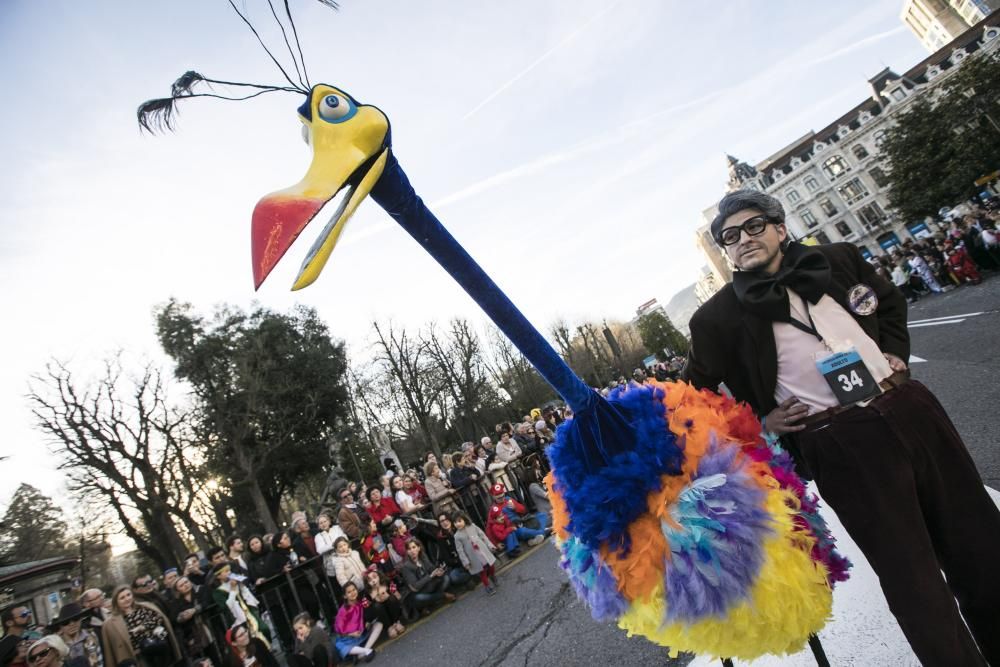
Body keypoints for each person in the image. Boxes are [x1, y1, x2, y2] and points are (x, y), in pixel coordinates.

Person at [683, 189, 1000, 666]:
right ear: (725, 252)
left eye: (753, 227)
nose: (743, 240)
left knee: (980, 546)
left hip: (908, 409)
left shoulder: (838, 260)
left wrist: (893, 349)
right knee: (913, 582)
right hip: (839, 443)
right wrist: (761, 422)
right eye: (730, 237)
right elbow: (696, 394)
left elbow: (888, 302)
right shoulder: (714, 318)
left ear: (780, 229)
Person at [99, 585, 181, 667]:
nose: (127, 599)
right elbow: (111, 651)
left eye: (128, 595)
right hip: (136, 658)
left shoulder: (145, 607)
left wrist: (143, 627)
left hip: (159, 650)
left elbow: (158, 619)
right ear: (116, 601)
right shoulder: (110, 623)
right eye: (122, 598)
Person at [210, 563, 269, 644]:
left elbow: (246, 593)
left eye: (229, 570)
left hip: (249, 612)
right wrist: (233, 589)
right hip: (237, 618)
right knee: (249, 638)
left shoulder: (235, 582)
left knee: (264, 629)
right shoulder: (217, 592)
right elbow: (227, 606)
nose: (229, 573)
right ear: (219, 576)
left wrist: (241, 584)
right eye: (226, 571)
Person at [486, 483, 548, 557]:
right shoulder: (493, 509)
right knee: (522, 531)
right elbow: (489, 529)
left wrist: (515, 507)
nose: (502, 499)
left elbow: (524, 510)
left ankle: (536, 537)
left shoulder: (508, 499)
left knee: (542, 515)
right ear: (493, 497)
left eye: (503, 496)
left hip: (522, 522)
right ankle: (544, 532)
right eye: (499, 498)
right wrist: (496, 543)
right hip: (513, 530)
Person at [399, 538, 456, 612]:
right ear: (407, 552)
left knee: (446, 578)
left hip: (430, 586)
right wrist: (430, 576)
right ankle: (442, 596)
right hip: (419, 592)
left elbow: (431, 568)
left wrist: (438, 571)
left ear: (418, 548)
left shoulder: (423, 556)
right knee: (419, 598)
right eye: (409, 549)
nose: (412, 551)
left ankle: (431, 602)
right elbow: (415, 587)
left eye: (414, 547)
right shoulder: (406, 566)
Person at [452, 512, 500, 595]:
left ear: (464, 519)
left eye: (459, 521)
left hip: (483, 551)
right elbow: (460, 550)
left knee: (491, 566)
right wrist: (465, 562)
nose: (457, 524)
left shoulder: (472, 526)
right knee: (482, 572)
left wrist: (490, 545)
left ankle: (492, 576)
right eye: (455, 522)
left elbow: (482, 536)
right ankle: (487, 586)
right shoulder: (457, 536)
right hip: (473, 557)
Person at [167, 577, 213, 663]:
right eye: (181, 585)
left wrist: (195, 610)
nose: (185, 585)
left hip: (209, 627)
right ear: (177, 590)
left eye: (186, 582)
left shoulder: (200, 590)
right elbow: (174, 618)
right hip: (191, 635)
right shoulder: (175, 602)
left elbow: (206, 602)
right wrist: (182, 617)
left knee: (215, 653)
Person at [332, 583, 379, 663]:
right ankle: (366, 651)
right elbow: (338, 629)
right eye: (349, 592)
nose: (353, 593)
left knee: (379, 625)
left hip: (362, 633)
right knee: (339, 645)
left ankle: (363, 651)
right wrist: (351, 634)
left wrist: (368, 622)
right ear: (345, 596)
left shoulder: (362, 602)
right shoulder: (343, 610)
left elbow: (369, 614)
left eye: (354, 590)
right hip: (349, 638)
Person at [362, 570, 406, 639]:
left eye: (374, 577)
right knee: (377, 606)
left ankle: (397, 622)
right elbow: (368, 611)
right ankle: (389, 627)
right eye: (370, 580)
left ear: (379, 576)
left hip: (393, 610)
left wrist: (388, 595)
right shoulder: (367, 593)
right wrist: (375, 600)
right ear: (367, 583)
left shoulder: (387, 583)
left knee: (392, 599)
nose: (373, 581)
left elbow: (398, 597)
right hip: (382, 616)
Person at [314, 511, 349, 577]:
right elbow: (320, 550)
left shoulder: (337, 528)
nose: (323, 524)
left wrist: (331, 545)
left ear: (329, 522)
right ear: (319, 526)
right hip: (331, 565)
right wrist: (336, 544)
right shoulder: (318, 536)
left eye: (325, 521)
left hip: (345, 557)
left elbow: (345, 538)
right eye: (321, 523)